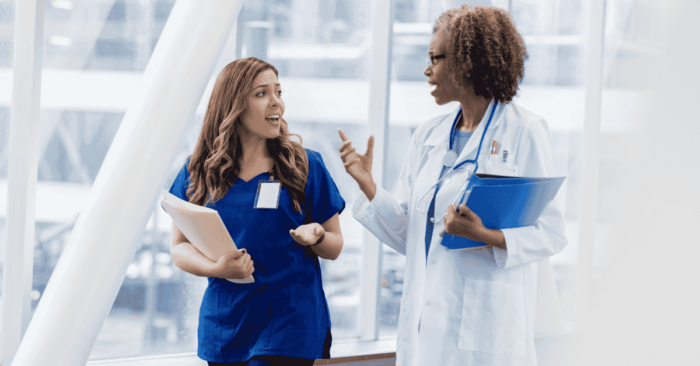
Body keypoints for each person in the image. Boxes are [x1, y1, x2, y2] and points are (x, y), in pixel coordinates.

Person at [338, 6, 567, 366]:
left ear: (468, 62)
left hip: (487, 331)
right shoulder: (428, 135)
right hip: (425, 330)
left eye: (435, 58)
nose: (427, 70)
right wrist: (369, 187)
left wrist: (483, 234)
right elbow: (411, 238)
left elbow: (551, 233)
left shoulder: (524, 130)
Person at [169, 57, 345, 366]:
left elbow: (335, 245)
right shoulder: (197, 169)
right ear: (233, 105)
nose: (276, 102)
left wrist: (317, 236)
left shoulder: (306, 165)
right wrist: (216, 269)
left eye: (279, 92)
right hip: (226, 320)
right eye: (262, 94)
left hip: (289, 320)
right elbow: (179, 247)